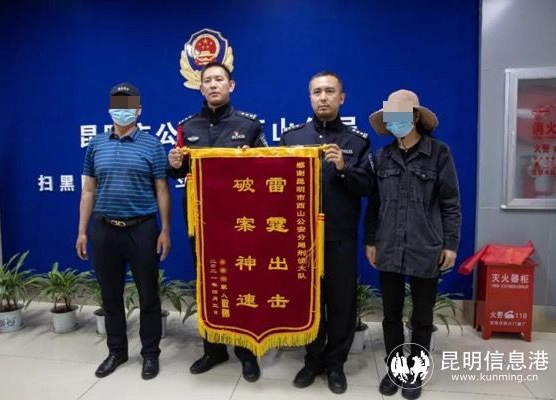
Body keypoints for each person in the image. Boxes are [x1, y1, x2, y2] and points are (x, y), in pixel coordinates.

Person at [167, 61, 267, 382]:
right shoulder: (187, 127)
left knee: (243, 284)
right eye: (207, 80)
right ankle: (213, 349)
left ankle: (246, 352)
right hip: (202, 223)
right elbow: (179, 171)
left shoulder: (249, 126)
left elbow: (267, 171)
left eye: (219, 79)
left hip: (241, 223)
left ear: (230, 85)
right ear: (201, 87)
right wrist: (174, 164)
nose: (213, 85)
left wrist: (253, 159)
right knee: (208, 283)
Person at [281, 71, 375, 394]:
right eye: (317, 91)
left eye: (329, 91)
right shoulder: (291, 139)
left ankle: (335, 364)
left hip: (340, 238)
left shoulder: (356, 142)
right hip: (302, 239)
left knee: (341, 303)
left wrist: (344, 169)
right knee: (307, 302)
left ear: (341, 98)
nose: (323, 97)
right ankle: (312, 361)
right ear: (310, 97)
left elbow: (368, 186)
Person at [364, 89, 461, 400]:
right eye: (390, 116)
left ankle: (415, 372)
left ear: (415, 116)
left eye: (401, 115)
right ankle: (395, 369)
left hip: (425, 246)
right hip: (389, 244)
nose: (395, 121)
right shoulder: (382, 157)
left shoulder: (438, 153)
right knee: (390, 314)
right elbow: (374, 204)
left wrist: (450, 244)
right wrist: (370, 240)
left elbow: (450, 203)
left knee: (422, 317)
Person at [76, 82, 171, 380]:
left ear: (138, 110)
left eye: (128, 105)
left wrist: (165, 230)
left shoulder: (152, 145)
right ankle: (116, 351)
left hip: (141, 229)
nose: (122, 110)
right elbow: (88, 190)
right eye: (117, 104)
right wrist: (82, 231)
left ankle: (150, 354)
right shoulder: (96, 145)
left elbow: (162, 190)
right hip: (104, 229)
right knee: (110, 295)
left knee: (148, 295)